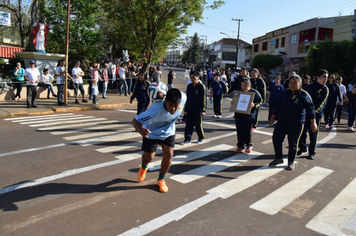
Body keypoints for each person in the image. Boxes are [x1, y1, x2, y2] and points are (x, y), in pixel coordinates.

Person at [133, 88, 186, 193]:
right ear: (165, 101)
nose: (173, 109)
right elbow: (135, 120)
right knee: (149, 157)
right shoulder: (154, 111)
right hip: (152, 132)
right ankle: (144, 167)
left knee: (169, 154)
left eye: (176, 105)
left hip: (168, 132)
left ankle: (161, 179)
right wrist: (141, 130)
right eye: (170, 105)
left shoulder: (183, 97)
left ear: (180, 102)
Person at [269, 75, 317, 170]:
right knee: (276, 138)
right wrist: (273, 116)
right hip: (282, 121)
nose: (292, 85)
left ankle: (291, 161)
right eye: (291, 83)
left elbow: (310, 110)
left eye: (295, 83)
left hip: (296, 123)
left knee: (293, 143)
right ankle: (278, 158)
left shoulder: (304, 95)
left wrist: (313, 122)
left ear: (300, 84)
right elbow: (278, 106)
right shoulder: (284, 93)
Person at [297, 69, 329, 160]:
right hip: (306, 113)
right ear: (317, 77)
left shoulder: (325, 89)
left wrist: (313, 113)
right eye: (323, 77)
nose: (325, 79)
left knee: (313, 134)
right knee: (302, 132)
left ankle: (312, 152)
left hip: (316, 116)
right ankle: (302, 148)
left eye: (326, 77)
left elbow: (322, 104)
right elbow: (304, 99)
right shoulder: (310, 87)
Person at [234, 78, 262, 153]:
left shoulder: (254, 93)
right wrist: (233, 103)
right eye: (242, 85)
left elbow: (260, 102)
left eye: (245, 85)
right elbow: (235, 101)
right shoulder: (239, 92)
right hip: (239, 114)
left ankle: (249, 144)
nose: (244, 87)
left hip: (249, 115)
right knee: (239, 131)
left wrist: (254, 105)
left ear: (249, 85)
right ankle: (240, 145)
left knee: (246, 131)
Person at [181, 71, 206, 145]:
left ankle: (201, 137)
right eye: (191, 77)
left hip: (198, 109)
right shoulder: (189, 86)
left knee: (198, 124)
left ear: (198, 77)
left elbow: (204, 100)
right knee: (188, 125)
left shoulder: (201, 87)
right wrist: (185, 109)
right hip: (190, 109)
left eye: (194, 77)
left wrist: (203, 110)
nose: (192, 79)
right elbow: (187, 98)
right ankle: (187, 139)